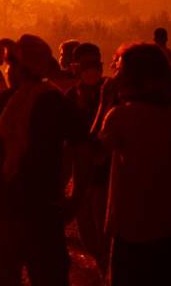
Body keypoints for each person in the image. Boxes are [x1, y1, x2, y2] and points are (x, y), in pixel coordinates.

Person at [0, 35, 88, 286]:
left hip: (4, 211)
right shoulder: (58, 104)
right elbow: (83, 151)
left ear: (18, 69)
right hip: (44, 210)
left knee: (5, 277)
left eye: (10, 65)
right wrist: (76, 197)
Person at [99, 44, 171, 286]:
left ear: (133, 76)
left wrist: (103, 103)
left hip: (131, 234)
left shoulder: (121, 117)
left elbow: (93, 156)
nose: (116, 75)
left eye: (120, 69)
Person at [65, 43, 109, 274]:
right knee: (86, 229)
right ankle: (104, 267)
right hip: (81, 170)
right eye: (86, 65)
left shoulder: (112, 92)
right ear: (76, 67)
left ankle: (108, 269)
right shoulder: (72, 95)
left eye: (95, 64)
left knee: (103, 225)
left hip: (106, 171)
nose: (91, 70)